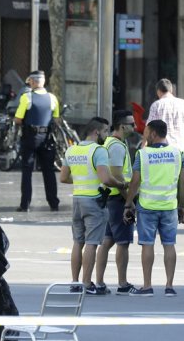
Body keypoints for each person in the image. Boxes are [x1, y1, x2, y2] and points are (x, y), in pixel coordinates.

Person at [59, 117, 124, 295]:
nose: (107, 135)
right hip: (94, 200)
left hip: (77, 199)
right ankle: (87, 284)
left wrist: (80, 180)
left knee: (77, 242)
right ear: (97, 132)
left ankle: (75, 282)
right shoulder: (99, 151)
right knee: (91, 243)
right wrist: (120, 184)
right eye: (105, 131)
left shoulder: (71, 150)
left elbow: (63, 178)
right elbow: (105, 178)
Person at [124, 119, 184, 297]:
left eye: (145, 132)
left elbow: (135, 182)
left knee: (147, 245)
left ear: (153, 134)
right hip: (169, 206)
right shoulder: (177, 154)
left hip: (147, 206)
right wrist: (182, 205)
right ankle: (169, 286)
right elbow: (183, 181)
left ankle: (147, 286)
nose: (144, 135)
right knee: (169, 245)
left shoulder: (142, 155)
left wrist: (128, 203)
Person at [95, 110, 139, 295]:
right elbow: (117, 174)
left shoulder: (113, 143)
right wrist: (128, 199)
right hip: (117, 199)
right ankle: (122, 283)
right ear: (122, 126)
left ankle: (99, 282)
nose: (135, 127)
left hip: (110, 198)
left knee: (107, 241)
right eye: (131, 124)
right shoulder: (117, 146)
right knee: (123, 242)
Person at [14, 70, 60, 212]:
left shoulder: (26, 97)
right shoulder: (52, 98)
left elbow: (18, 119)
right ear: (44, 82)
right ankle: (53, 203)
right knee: (49, 171)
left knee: (27, 171)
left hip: (30, 137)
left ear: (32, 82)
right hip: (46, 138)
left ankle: (25, 204)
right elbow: (56, 119)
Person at [146, 78, 184, 151]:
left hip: (165, 150)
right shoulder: (183, 103)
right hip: (182, 148)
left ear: (158, 92)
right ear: (171, 90)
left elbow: (149, 127)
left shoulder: (156, 105)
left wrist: (145, 144)